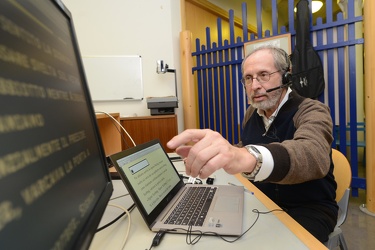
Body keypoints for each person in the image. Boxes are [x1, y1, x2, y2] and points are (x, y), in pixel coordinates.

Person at [166, 45, 338, 243]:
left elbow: (312, 154)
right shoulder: (252, 112)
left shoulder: (312, 110)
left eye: (263, 75)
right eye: (248, 78)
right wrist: (223, 154)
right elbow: (246, 145)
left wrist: (249, 157)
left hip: (308, 207)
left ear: (286, 77)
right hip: (261, 200)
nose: (254, 85)